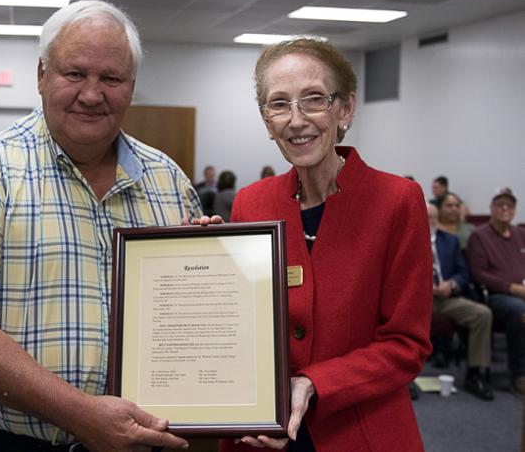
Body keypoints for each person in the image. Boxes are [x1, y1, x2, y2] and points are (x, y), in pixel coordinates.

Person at [0, 0, 198, 452]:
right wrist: (82, 415)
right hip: (6, 443)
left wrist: (215, 264)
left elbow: (190, 315)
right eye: (75, 73)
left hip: (139, 441)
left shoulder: (168, 181)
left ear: (132, 87)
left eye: (111, 78)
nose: (91, 93)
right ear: (42, 75)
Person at [218, 38, 432, 452]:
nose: (296, 120)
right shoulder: (251, 202)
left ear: (345, 109)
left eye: (314, 99)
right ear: (266, 122)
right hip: (266, 431)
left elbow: (406, 344)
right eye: (279, 104)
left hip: (358, 428)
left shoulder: (397, 201)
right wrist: (200, 257)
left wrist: (316, 383)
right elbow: (239, 327)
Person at [427, 203, 494, 400]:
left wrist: (453, 284)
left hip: (447, 298)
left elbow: (464, 273)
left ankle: (475, 373)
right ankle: (406, 380)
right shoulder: (407, 240)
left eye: (432, 218)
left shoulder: (450, 240)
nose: (429, 222)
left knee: (482, 314)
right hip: (419, 300)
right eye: (425, 217)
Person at [467, 187, 525, 397]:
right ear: (491, 208)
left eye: (509, 205)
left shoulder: (521, 234)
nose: (504, 209)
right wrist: (513, 288)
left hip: (522, 291)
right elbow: (479, 274)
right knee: (520, 310)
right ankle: (518, 376)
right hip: (497, 297)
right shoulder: (479, 236)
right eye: (500, 205)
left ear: (515, 209)